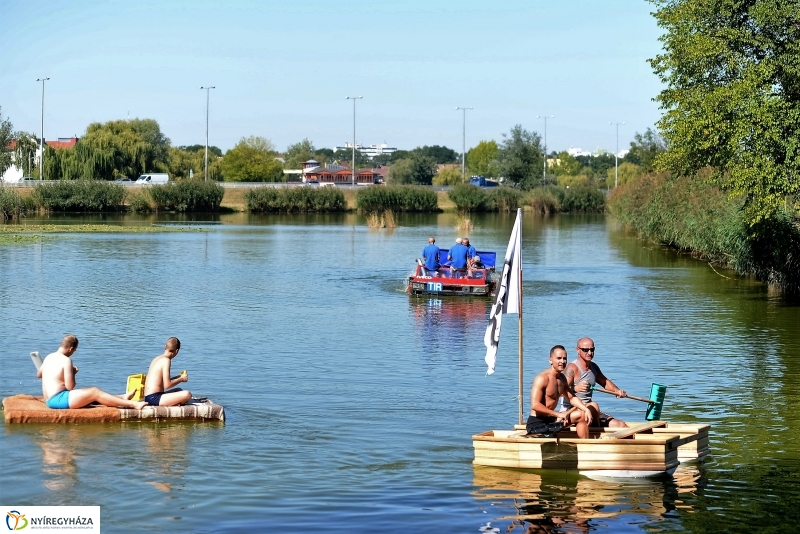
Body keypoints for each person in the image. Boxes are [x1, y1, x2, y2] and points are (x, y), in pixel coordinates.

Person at [37, 335, 146, 410]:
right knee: (94, 392)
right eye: (74, 351)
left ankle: (122, 397)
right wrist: (73, 373)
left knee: (88, 395)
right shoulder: (66, 360)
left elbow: (39, 374)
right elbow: (70, 387)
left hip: (49, 399)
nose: (73, 353)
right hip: (58, 399)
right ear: (71, 348)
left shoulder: (48, 357)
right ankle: (133, 404)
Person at [528, 345, 593, 438]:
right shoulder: (542, 378)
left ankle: (585, 446)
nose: (562, 361)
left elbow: (571, 397)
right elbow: (535, 405)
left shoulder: (562, 378)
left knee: (582, 415)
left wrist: (585, 409)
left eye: (564, 358)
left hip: (552, 419)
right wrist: (558, 414)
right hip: (537, 423)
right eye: (559, 358)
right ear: (550, 360)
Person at [564, 337, 629, 429]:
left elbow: (605, 383)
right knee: (594, 405)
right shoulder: (572, 368)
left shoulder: (594, 367)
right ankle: (596, 435)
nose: (589, 353)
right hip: (573, 410)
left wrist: (617, 391)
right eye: (585, 350)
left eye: (592, 349)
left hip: (590, 409)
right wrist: (574, 388)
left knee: (621, 426)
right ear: (578, 350)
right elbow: (559, 392)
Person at [143, 337, 191, 407]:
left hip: (148, 397)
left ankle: (174, 403)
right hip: (154, 398)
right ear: (176, 351)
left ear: (165, 346)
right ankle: (174, 404)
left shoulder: (157, 358)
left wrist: (177, 377)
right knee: (187, 394)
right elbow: (167, 385)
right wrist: (181, 379)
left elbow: (161, 381)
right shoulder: (166, 360)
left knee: (179, 390)